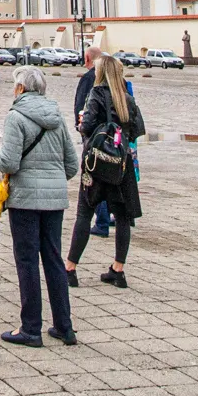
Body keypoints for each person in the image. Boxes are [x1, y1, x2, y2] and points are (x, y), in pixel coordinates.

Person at [0, 66, 80, 347]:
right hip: (54, 200)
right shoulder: (57, 117)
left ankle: (31, 328)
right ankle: (64, 326)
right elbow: (71, 164)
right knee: (54, 259)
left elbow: (8, 163)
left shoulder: (16, 117)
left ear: (20, 88)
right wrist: (53, 180)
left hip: (25, 200)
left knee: (28, 261)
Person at [64, 53, 143, 289]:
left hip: (98, 162)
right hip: (121, 164)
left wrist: (82, 124)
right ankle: (118, 269)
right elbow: (138, 129)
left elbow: (86, 126)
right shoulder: (126, 98)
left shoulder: (97, 94)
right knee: (122, 218)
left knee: (84, 214)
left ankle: (70, 268)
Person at [73, 46, 111, 237]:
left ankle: (102, 221)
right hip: (113, 139)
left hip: (94, 138)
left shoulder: (89, 79)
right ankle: (112, 216)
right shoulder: (112, 79)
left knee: (93, 179)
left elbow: (81, 108)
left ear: (87, 58)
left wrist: (80, 128)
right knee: (109, 177)